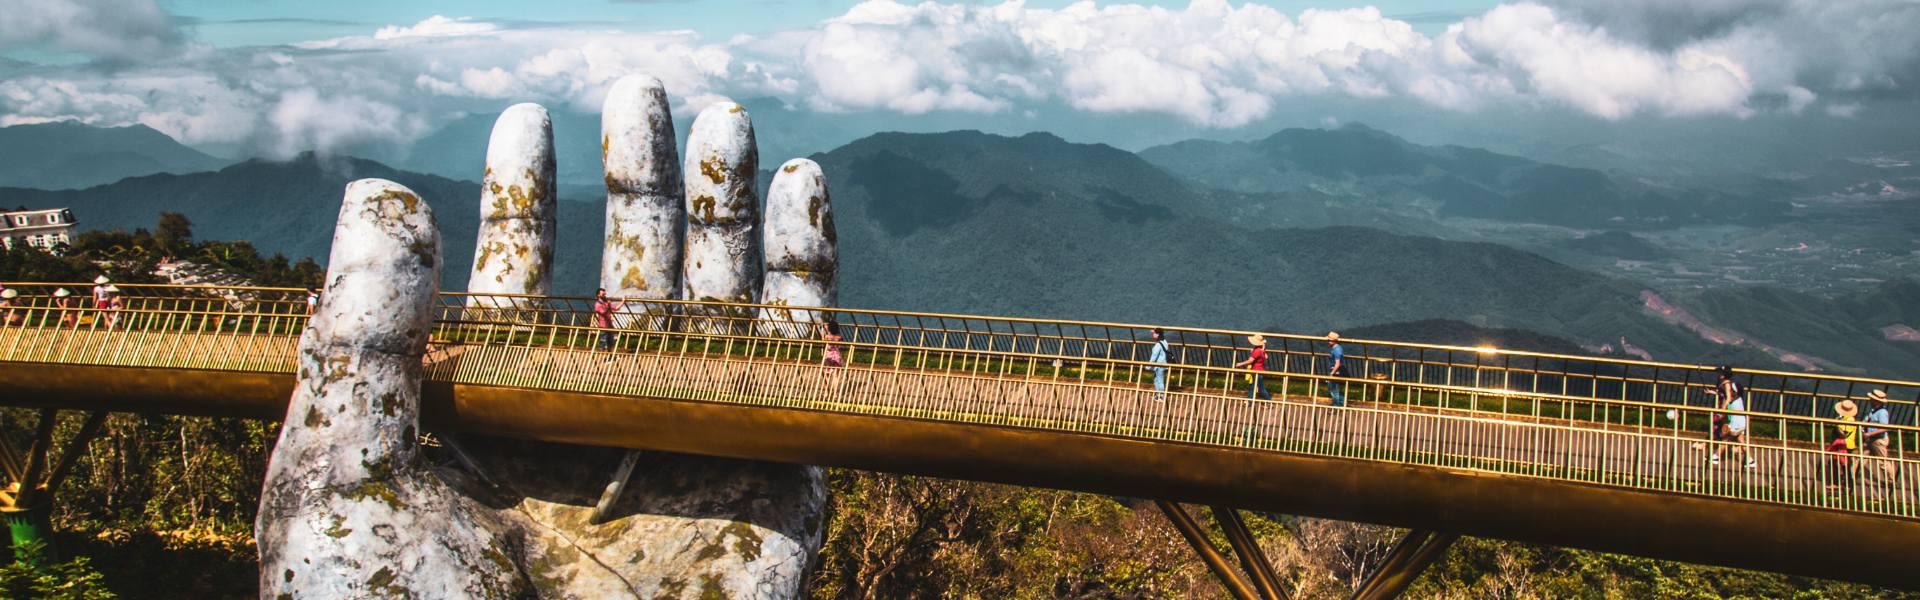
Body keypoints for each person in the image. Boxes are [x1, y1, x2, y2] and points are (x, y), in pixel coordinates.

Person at [1706, 366, 1755, 469]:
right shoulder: (1727, 384)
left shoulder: (1727, 384)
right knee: (1739, 438)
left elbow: (1727, 398)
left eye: (1720, 373)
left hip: (1735, 413)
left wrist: (1722, 409)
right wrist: (1712, 392)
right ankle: (1750, 460)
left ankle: (1716, 456)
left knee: (1728, 435)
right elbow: (1724, 395)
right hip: (1737, 412)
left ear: (1723, 375)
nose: (1718, 375)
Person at [1862, 389, 1894, 496]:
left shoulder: (1882, 412)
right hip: (1870, 439)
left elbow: (1885, 427)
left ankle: (1891, 480)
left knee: (1882, 462)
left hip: (1877, 440)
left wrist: (1870, 434)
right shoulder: (1872, 411)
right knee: (1860, 458)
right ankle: (1851, 476)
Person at [1827, 399, 1859, 492]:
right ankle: (1841, 482)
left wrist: (1837, 425)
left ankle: (1846, 483)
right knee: (1837, 463)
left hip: (1845, 445)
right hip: (1842, 444)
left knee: (1844, 465)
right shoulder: (1844, 418)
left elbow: (1844, 433)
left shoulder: (1850, 419)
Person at [1233, 334, 1271, 400]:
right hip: (1259, 370)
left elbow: (1250, 361)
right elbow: (1266, 357)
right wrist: (1263, 348)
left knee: (1261, 389)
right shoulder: (1261, 350)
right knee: (1252, 386)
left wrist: (1240, 364)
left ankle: (1269, 401)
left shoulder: (1257, 351)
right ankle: (1249, 400)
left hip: (1256, 371)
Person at [592, 288, 624, 355]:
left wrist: (622, 302)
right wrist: (607, 306)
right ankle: (602, 354)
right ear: (598, 295)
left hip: (609, 324)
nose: (604, 295)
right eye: (603, 294)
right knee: (603, 341)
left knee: (612, 339)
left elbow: (616, 308)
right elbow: (602, 312)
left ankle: (609, 354)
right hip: (603, 325)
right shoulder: (597, 304)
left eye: (604, 294)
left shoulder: (606, 302)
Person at [1146, 328, 1170, 402]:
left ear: (1158, 334)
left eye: (1154, 333)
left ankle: (1161, 396)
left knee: (1159, 380)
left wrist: (1148, 366)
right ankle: (1157, 395)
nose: (1152, 334)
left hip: (1159, 365)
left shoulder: (1158, 345)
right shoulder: (1165, 342)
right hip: (1164, 364)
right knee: (1156, 379)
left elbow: (1154, 357)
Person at [1326, 331, 1347, 407]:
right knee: (1334, 389)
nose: (1328, 341)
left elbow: (1337, 363)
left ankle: (1337, 405)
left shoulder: (1337, 350)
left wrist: (1332, 373)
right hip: (1335, 370)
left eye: (1329, 340)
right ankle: (1340, 403)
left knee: (1334, 389)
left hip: (1336, 372)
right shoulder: (1336, 348)